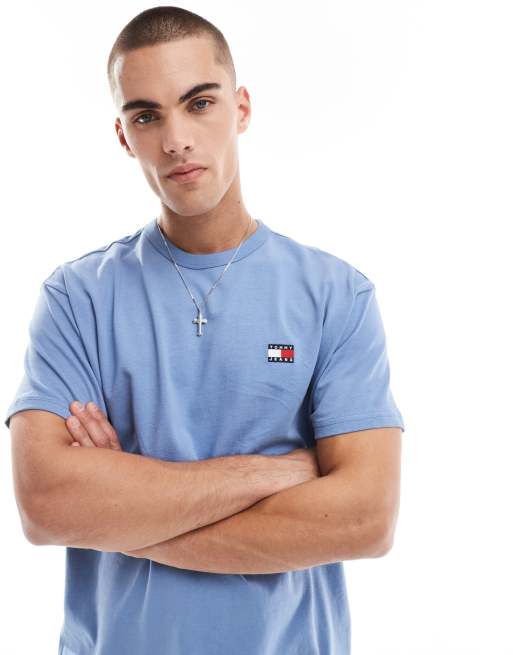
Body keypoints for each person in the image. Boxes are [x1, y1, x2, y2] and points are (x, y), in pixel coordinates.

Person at [5, 6, 405, 655]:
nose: (176, 140)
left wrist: (120, 511)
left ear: (240, 108)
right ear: (123, 135)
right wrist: (273, 474)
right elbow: (47, 506)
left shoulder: (337, 295)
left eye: (199, 103)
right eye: (147, 116)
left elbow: (365, 518)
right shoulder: (77, 298)